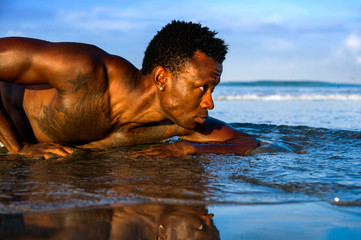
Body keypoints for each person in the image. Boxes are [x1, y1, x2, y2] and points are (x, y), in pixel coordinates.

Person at [0, 20, 258, 159]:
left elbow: (247, 142)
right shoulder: (85, 70)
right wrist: (18, 147)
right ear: (161, 78)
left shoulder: (178, 124)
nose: (210, 103)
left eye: (212, 89)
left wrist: (190, 148)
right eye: (201, 88)